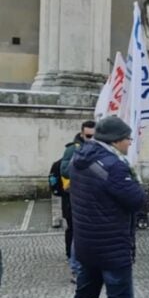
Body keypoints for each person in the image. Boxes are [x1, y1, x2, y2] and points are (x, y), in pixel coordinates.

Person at [66, 116, 145, 298]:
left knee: (84, 297)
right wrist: (135, 178)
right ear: (115, 141)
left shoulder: (79, 158)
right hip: (111, 246)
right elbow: (137, 200)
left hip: (86, 244)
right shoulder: (114, 166)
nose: (130, 143)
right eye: (127, 139)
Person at [60, 120, 96, 282]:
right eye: (88, 136)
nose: (91, 139)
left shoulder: (99, 148)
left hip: (95, 196)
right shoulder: (73, 149)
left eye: (95, 136)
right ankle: (76, 268)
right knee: (78, 232)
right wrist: (83, 162)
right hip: (77, 196)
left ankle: (89, 266)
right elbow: (65, 170)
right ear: (82, 134)